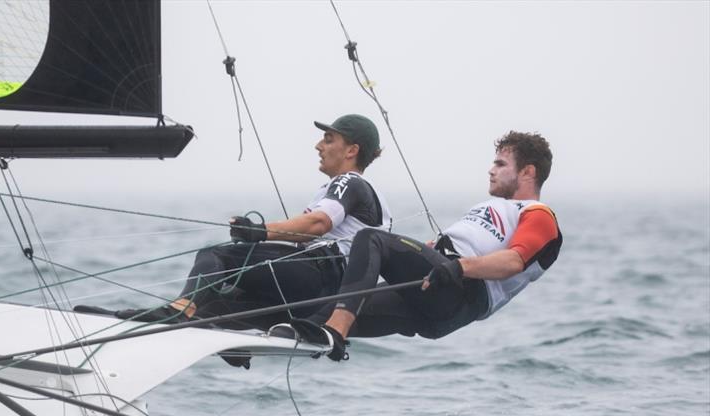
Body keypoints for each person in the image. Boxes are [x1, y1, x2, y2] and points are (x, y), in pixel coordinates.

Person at [75, 114, 392, 366]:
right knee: (215, 306)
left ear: (352, 150)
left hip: (321, 278)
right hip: (325, 295)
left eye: (328, 139)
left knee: (218, 258)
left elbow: (319, 223)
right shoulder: (367, 194)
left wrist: (260, 232)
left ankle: (177, 310)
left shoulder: (349, 182)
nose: (318, 146)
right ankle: (172, 328)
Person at [282, 131, 562, 361]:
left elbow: (513, 262)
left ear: (527, 172)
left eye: (500, 164)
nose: (491, 170)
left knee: (371, 238)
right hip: (432, 293)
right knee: (323, 311)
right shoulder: (494, 206)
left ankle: (336, 332)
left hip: (461, 293)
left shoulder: (538, 213)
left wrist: (457, 266)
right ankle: (264, 334)